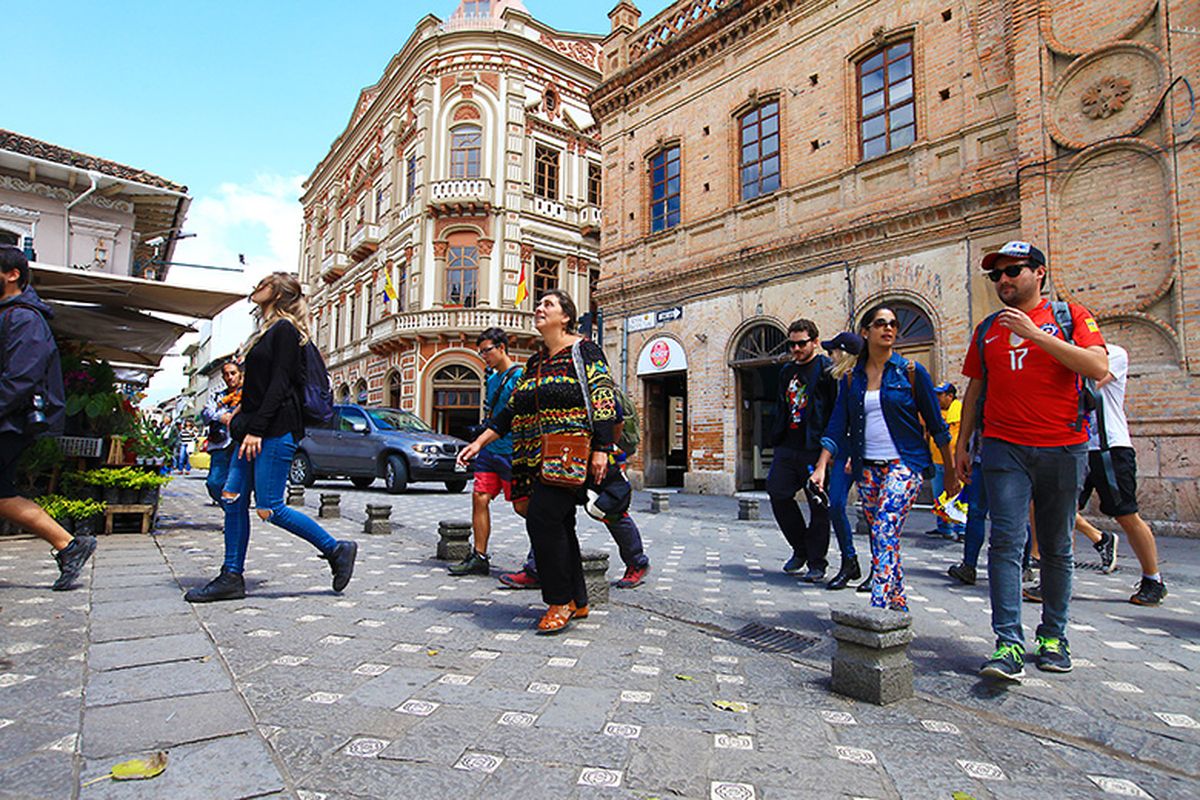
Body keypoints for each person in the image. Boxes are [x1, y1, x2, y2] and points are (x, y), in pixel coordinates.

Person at [955, 241, 1108, 681]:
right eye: (996, 275)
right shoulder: (987, 330)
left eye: (1013, 271)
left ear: (1039, 273)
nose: (1003, 280)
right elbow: (976, 389)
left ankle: (1053, 636)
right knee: (1005, 542)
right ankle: (1008, 643)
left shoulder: (1070, 317)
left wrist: (1037, 334)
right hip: (1004, 447)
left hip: (1064, 445)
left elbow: (1096, 367)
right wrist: (964, 443)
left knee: (1057, 545)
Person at [185, 272, 357, 603]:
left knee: (271, 507)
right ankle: (231, 575)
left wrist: (256, 429)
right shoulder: (265, 332)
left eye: (263, 283)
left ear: (277, 294)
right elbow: (261, 386)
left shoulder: (286, 331)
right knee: (232, 498)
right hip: (254, 429)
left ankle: (336, 550)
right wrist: (242, 418)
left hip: (274, 432)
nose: (256, 287)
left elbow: (280, 384)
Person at [458, 289, 616, 634]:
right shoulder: (536, 361)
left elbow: (603, 398)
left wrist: (602, 447)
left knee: (542, 520)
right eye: (539, 304)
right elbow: (510, 411)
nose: (539, 308)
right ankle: (577, 599)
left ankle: (557, 602)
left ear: (566, 316)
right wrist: (479, 442)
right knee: (560, 525)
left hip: (570, 453)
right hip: (533, 458)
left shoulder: (583, 350)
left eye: (548, 305)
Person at [812, 305, 955, 612]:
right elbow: (838, 423)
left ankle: (878, 608)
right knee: (883, 536)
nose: (888, 329)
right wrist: (822, 464)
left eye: (893, 324)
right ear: (866, 332)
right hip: (868, 466)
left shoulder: (911, 372)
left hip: (905, 463)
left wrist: (952, 472)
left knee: (883, 529)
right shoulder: (852, 379)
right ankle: (898, 604)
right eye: (880, 323)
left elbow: (936, 425)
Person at [1030, 344, 1163, 605]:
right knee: (1060, 513)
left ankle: (1153, 579)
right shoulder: (1065, 355)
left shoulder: (1113, 354)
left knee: (1126, 513)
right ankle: (1056, 582)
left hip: (1109, 447)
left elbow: (1088, 385)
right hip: (1072, 446)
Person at [0, 245, 96, 590]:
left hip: (11, 419)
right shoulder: (12, 314)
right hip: (10, 418)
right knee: (3, 492)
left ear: (13, 275)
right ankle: (69, 545)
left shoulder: (23, 317)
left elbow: (21, 377)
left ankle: (70, 545)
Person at [497, 388, 650, 590]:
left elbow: (617, 420)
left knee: (612, 511)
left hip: (595, 458)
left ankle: (637, 562)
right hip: (562, 457)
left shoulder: (593, 381)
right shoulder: (553, 381)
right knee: (549, 512)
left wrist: (602, 449)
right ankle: (536, 569)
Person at [766, 319, 838, 582]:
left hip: (814, 448)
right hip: (787, 445)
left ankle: (817, 563)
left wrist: (829, 451)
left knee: (818, 505)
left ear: (815, 342)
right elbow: (782, 406)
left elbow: (835, 411)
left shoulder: (827, 369)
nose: (796, 348)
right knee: (777, 493)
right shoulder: (786, 372)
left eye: (801, 343)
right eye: (792, 344)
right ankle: (801, 549)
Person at [449, 328, 522, 577]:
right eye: (480, 352)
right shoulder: (490, 379)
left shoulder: (520, 377)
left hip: (512, 451)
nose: (484, 356)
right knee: (479, 497)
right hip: (490, 451)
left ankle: (539, 557)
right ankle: (479, 556)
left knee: (524, 507)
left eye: (487, 351)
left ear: (502, 348)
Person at [820, 331, 864, 591]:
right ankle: (850, 560)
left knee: (874, 513)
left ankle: (881, 572)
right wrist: (824, 462)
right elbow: (837, 422)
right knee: (835, 503)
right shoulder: (843, 380)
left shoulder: (868, 377)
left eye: (832, 351)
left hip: (867, 450)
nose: (829, 356)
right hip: (844, 449)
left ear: (844, 354)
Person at [925, 383, 965, 541]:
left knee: (957, 496)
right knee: (939, 496)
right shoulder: (935, 412)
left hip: (954, 461)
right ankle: (944, 527)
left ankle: (960, 529)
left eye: (940, 395)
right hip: (936, 459)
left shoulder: (959, 410)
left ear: (950, 396)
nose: (937, 398)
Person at [201, 361, 242, 505]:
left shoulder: (247, 394)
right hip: (221, 443)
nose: (230, 377)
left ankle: (234, 519)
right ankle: (229, 509)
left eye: (233, 373)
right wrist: (220, 417)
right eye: (226, 374)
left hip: (240, 444)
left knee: (237, 485)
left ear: (240, 375)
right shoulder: (217, 396)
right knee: (214, 482)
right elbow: (206, 414)